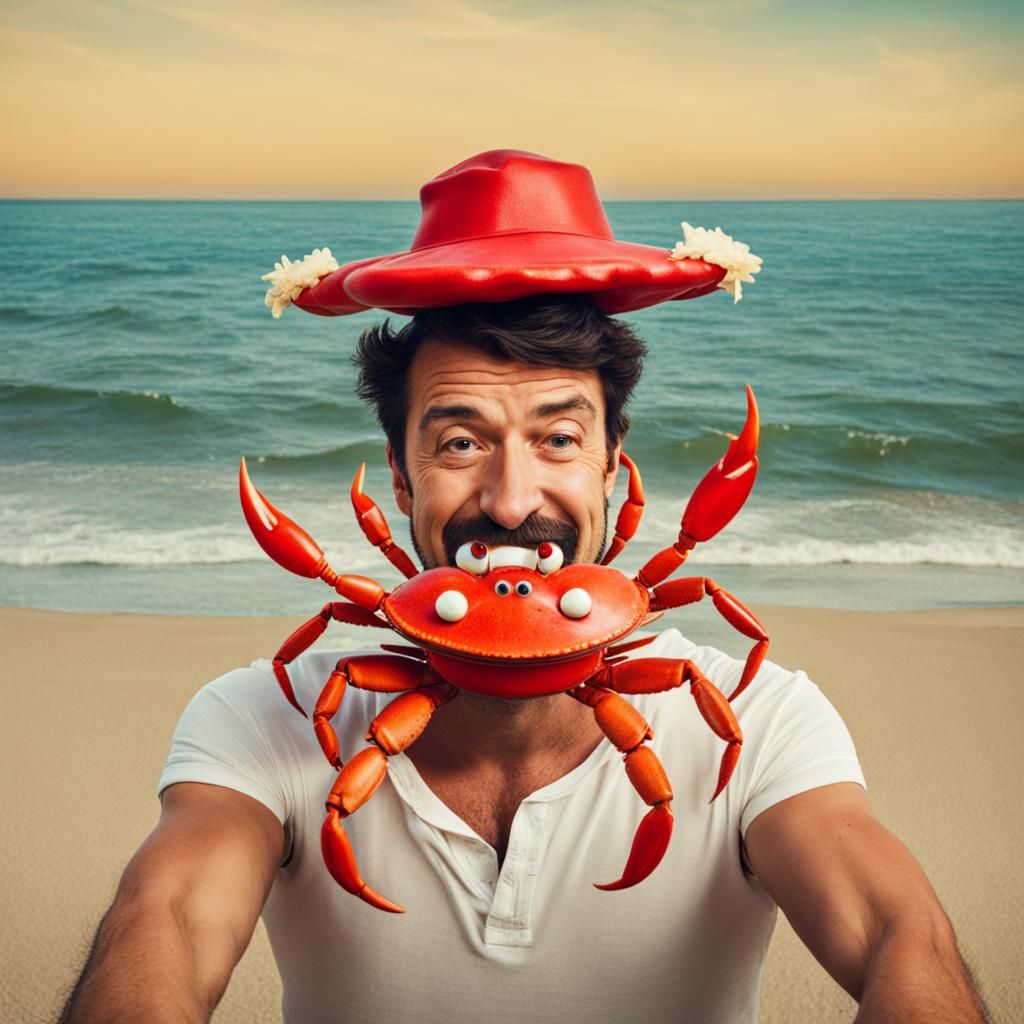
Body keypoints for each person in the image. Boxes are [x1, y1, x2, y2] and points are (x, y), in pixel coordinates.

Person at [62, 151, 988, 1023]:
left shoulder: (756, 718)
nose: (510, 503)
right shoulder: (261, 717)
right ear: (398, 480)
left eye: (558, 438)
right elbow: (170, 920)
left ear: (616, 473)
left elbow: (900, 932)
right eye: (460, 442)